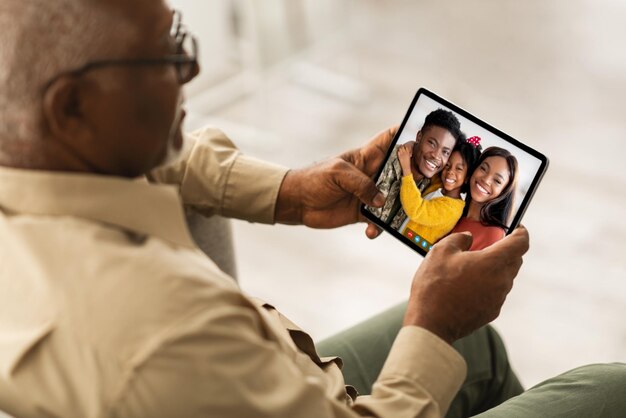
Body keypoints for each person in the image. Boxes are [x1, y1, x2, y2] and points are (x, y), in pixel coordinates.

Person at [0, 1, 624, 418]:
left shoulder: (31, 154)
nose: (190, 72)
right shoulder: (163, 332)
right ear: (71, 108)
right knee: (608, 390)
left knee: (476, 346)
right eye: (165, 58)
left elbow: (164, 158)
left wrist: (291, 192)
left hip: (264, 375)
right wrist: (432, 323)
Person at [367, 109, 462, 230]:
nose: (436, 156)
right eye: (432, 143)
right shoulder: (385, 161)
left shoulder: (433, 184)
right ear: (419, 137)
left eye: (445, 152)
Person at [395, 136, 482, 245]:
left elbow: (417, 210)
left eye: (459, 168)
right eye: (448, 165)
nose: (450, 172)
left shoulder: (453, 209)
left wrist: (406, 168)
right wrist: (412, 144)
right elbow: (430, 166)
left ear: (467, 178)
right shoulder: (440, 184)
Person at [450, 147, 519, 251]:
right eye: (483, 169)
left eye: (497, 181)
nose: (486, 180)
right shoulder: (453, 210)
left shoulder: (494, 234)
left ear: (503, 192)